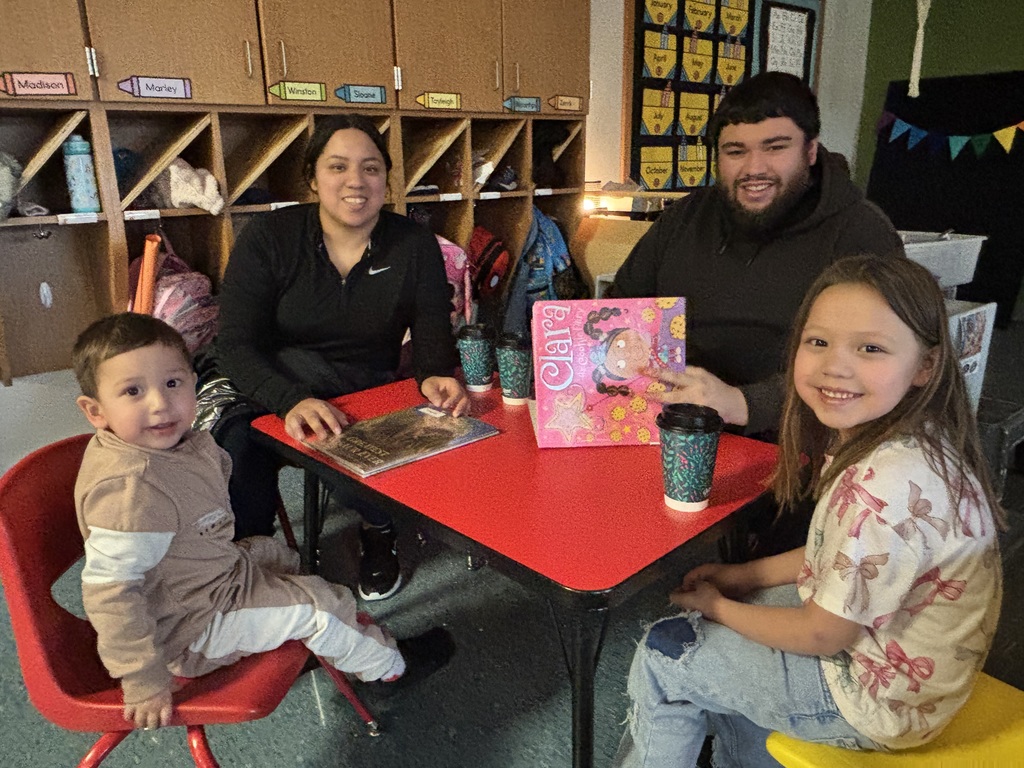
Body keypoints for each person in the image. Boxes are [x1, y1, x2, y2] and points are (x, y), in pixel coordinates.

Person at [612, 255, 1004, 768]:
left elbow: (824, 633)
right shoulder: (910, 442)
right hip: (913, 671)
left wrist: (720, 606)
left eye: (871, 348)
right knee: (713, 618)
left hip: (880, 703)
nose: (835, 365)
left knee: (666, 653)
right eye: (818, 342)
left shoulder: (881, 485)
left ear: (924, 367)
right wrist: (743, 574)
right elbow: (834, 555)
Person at [72, 313, 455, 732]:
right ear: (96, 411)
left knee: (283, 557)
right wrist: (142, 678)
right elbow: (112, 594)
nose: (160, 404)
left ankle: (335, 640)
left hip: (211, 575)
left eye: (173, 383)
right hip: (191, 628)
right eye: (132, 391)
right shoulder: (130, 491)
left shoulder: (172, 445)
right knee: (321, 611)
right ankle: (389, 669)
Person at [210, 113, 469, 601]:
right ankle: (252, 560)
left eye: (371, 168)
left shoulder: (413, 244)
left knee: (372, 438)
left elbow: (433, 326)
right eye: (337, 167)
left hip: (362, 381)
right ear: (312, 178)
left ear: (386, 181)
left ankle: (378, 528)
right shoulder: (269, 238)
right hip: (269, 380)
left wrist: (436, 374)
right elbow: (235, 346)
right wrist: (289, 400)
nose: (356, 181)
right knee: (242, 444)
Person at [612, 71, 904, 438]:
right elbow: (619, 308)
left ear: (810, 150)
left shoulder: (860, 231)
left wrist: (743, 403)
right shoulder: (683, 218)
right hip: (670, 430)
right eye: (736, 151)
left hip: (796, 445)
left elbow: (873, 362)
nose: (754, 169)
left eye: (775, 147)